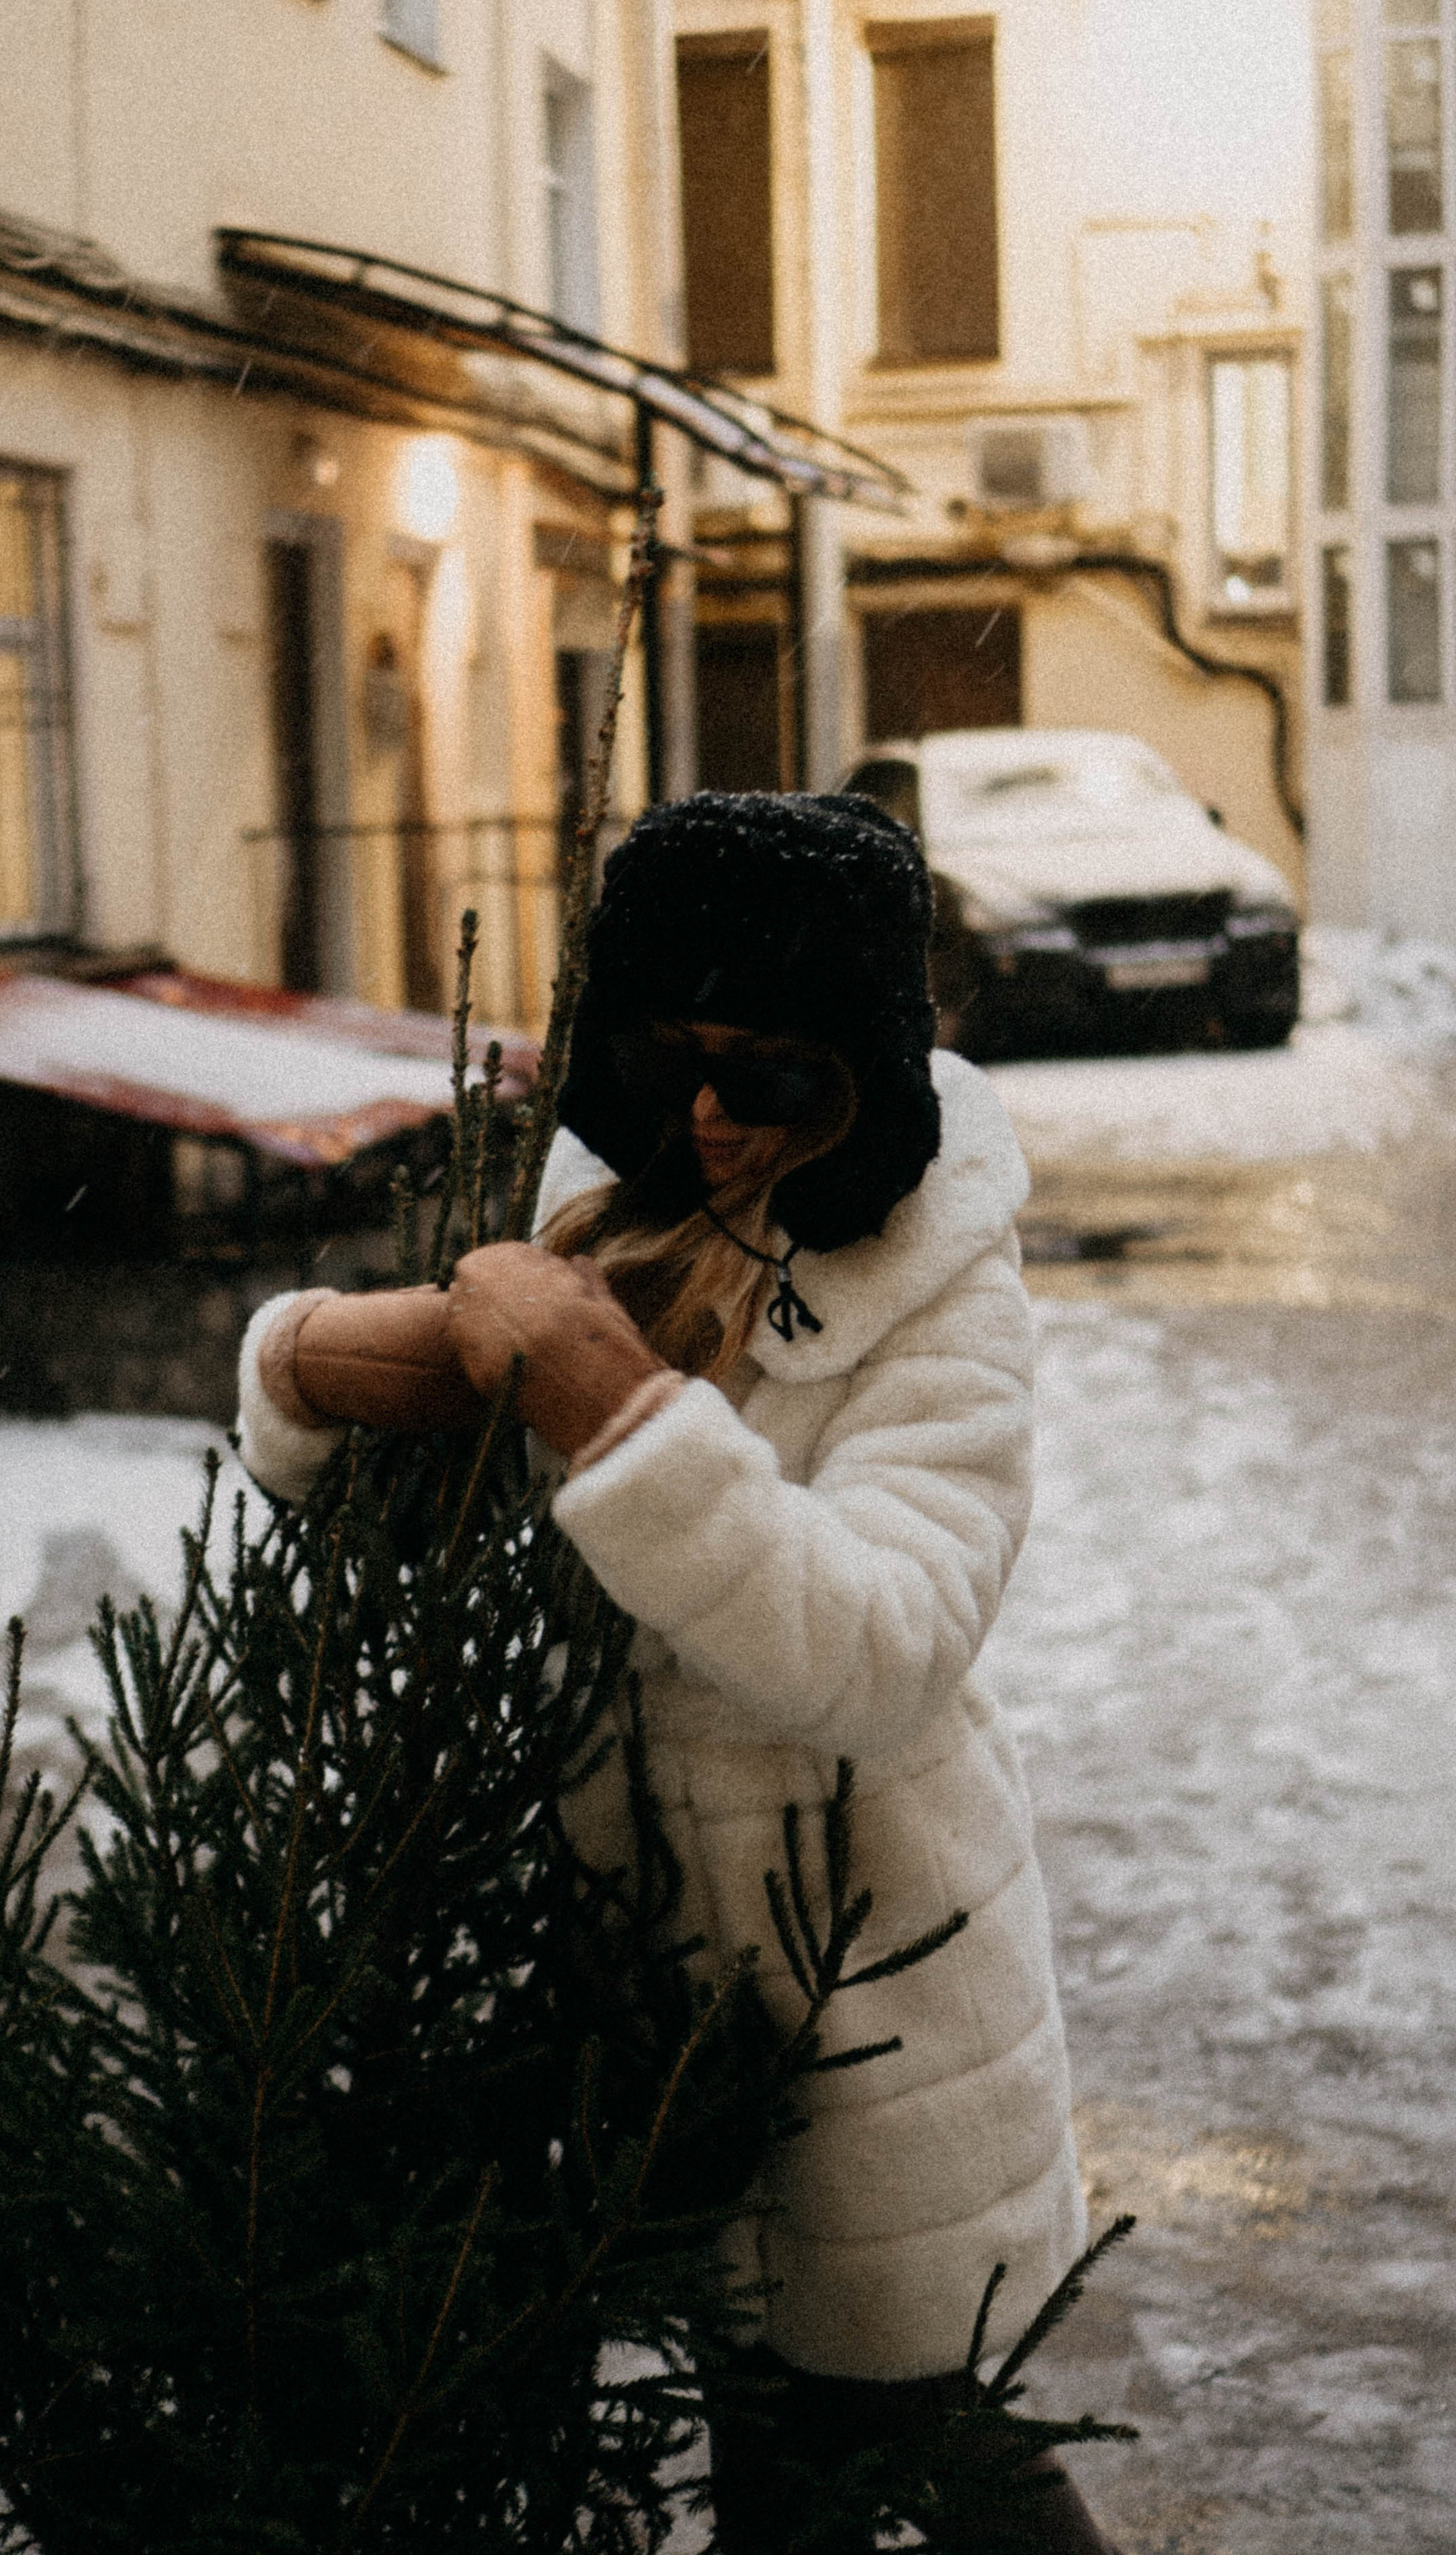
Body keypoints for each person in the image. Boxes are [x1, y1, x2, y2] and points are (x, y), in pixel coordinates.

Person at [235, 790, 1120, 2554]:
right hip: (640, 1984)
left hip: (869, 1978)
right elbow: (414, 1515)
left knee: (918, 2427)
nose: (709, 1115)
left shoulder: (941, 1295)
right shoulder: (598, 1215)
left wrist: (615, 1415)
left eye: (771, 1074)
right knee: (771, 2445)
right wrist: (324, 1365)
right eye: (669, 1056)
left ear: (862, 1071)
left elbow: (882, 1646)